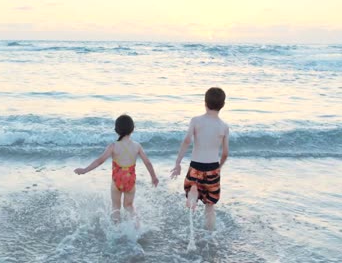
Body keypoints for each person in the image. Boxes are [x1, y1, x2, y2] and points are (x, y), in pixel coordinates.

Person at [74, 114, 159, 223]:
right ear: (133, 129)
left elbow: (100, 160)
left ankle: (116, 231)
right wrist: (154, 177)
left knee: (116, 206)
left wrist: (85, 170)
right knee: (129, 206)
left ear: (116, 130)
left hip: (117, 180)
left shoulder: (113, 146)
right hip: (130, 180)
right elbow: (148, 163)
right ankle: (137, 226)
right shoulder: (137, 146)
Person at [170, 87, 229, 230]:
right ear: (223, 105)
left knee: (193, 185)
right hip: (213, 167)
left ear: (205, 102)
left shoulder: (196, 121)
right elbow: (225, 153)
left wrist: (178, 163)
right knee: (210, 207)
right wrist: (218, 168)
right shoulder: (224, 127)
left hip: (196, 166)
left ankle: (193, 192)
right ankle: (210, 234)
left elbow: (186, 141)